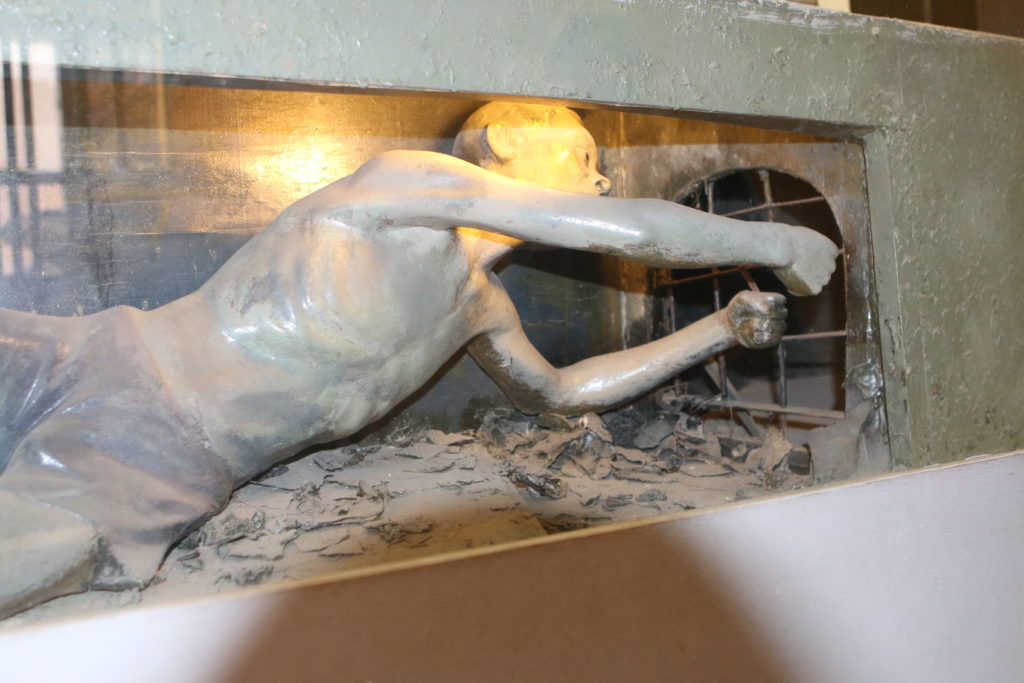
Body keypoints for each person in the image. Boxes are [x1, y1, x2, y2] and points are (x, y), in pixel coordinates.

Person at [0, 102, 838, 617]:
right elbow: (618, 230)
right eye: (584, 156)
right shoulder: (409, 184)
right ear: (505, 138)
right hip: (103, 351)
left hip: (167, 458)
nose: (604, 177)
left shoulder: (480, 308)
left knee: (40, 555)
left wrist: (718, 329)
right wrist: (774, 241)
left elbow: (562, 391)